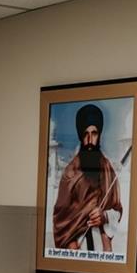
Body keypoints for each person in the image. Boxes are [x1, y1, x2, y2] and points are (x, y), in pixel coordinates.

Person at [50, 103, 123, 253]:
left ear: (99, 135)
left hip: (103, 249)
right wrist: (70, 244)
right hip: (78, 248)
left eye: (94, 133)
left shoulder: (107, 169)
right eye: (85, 134)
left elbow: (117, 209)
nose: (90, 140)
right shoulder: (70, 173)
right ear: (80, 136)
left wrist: (105, 216)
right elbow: (60, 220)